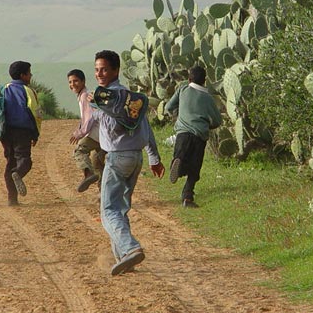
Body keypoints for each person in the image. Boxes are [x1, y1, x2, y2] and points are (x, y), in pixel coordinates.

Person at [87, 50, 165, 275]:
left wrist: (97, 103)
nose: (99, 74)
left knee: (108, 211)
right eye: (96, 69)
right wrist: (153, 157)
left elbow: (104, 118)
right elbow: (145, 128)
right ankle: (123, 258)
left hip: (118, 157)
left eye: (103, 69)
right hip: (135, 157)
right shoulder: (132, 99)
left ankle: (130, 249)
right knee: (119, 208)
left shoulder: (108, 98)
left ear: (115, 71)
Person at [0, 60, 42, 206]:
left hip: (5, 132)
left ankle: (12, 199)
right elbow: (36, 113)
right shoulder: (29, 91)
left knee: (10, 162)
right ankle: (18, 174)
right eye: (29, 73)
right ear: (23, 75)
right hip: (23, 131)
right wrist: (36, 133)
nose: (31, 76)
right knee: (25, 161)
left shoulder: (1, 89)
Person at [164, 65, 223, 208]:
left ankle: (177, 164)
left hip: (182, 133)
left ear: (189, 79)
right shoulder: (208, 98)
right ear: (205, 81)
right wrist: (207, 125)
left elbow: (168, 107)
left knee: (181, 155)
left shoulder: (183, 89)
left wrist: (179, 115)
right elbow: (217, 121)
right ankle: (187, 198)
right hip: (199, 136)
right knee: (194, 168)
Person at [67, 69, 105, 193]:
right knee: (98, 162)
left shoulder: (85, 96)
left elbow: (89, 118)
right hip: (103, 135)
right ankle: (103, 193)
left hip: (95, 134)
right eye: (70, 82)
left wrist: (80, 133)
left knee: (79, 151)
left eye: (76, 81)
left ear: (83, 81)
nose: (73, 84)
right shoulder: (84, 94)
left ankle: (88, 174)